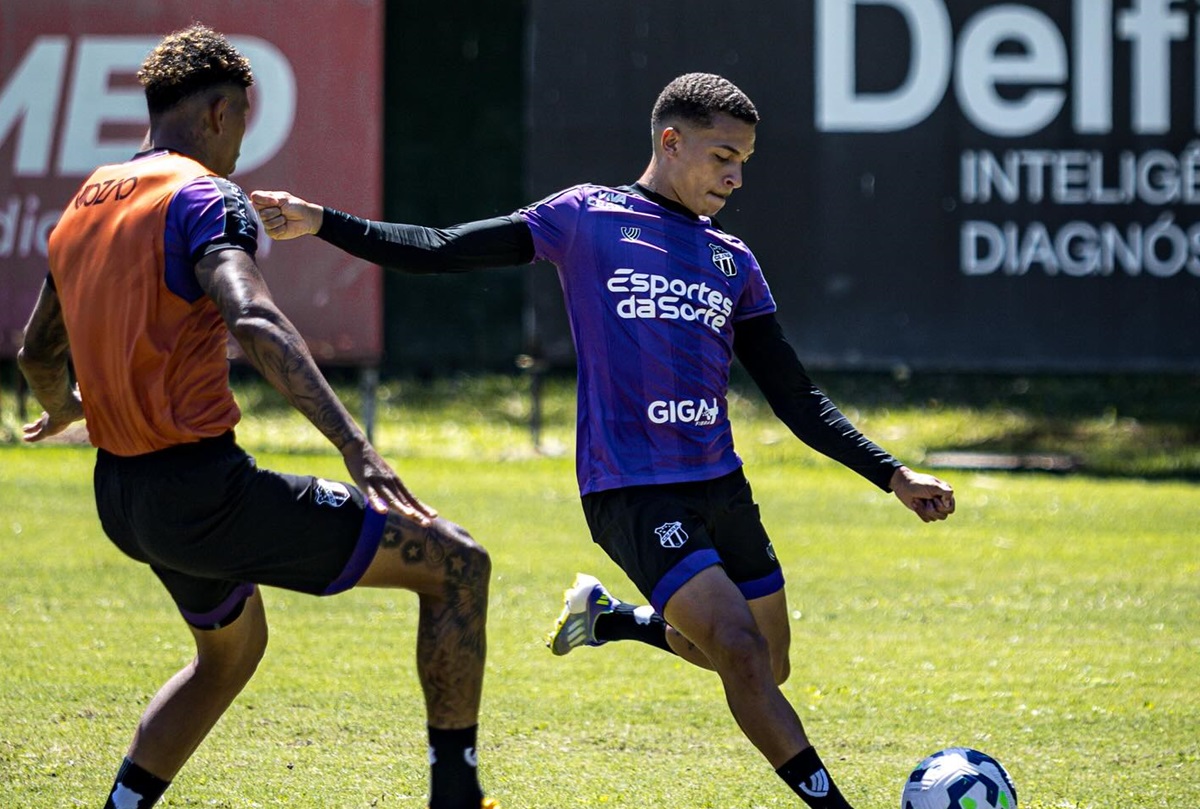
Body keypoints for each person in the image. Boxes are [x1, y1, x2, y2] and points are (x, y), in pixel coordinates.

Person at [251, 72, 955, 808]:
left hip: (720, 484)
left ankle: (615, 619)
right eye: (723, 157)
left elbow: (795, 397)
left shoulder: (733, 259)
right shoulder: (587, 217)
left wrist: (894, 475)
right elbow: (441, 247)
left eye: (744, 161)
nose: (736, 177)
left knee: (768, 663)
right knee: (740, 651)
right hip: (632, 490)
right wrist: (322, 220)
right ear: (671, 141)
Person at [16, 24, 498, 809]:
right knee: (456, 564)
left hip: (122, 498)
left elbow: (37, 350)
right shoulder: (204, 197)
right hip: (204, 493)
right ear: (219, 113)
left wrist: (64, 406)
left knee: (230, 655)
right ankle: (457, 799)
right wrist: (355, 446)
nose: (241, 138)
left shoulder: (84, 203)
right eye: (243, 117)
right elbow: (255, 319)